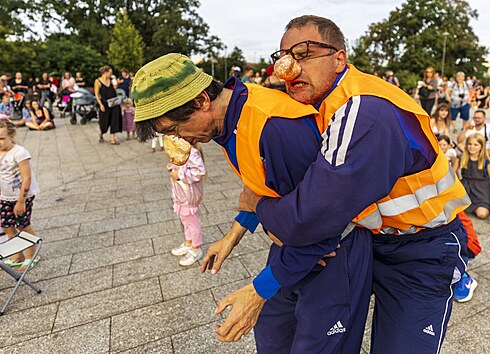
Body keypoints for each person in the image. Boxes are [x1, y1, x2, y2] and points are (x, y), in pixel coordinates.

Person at [238, 15, 470, 354]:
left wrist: (255, 204)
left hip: (420, 249)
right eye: (282, 57)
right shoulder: (314, 104)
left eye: (303, 54)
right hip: (363, 241)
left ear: (339, 58)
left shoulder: (364, 107)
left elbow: (313, 213)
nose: (287, 68)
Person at [131, 53, 373, 353]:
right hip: (292, 244)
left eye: (174, 129)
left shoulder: (275, 127)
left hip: (334, 251)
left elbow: (318, 225)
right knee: (273, 337)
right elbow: (262, 189)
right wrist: (231, 237)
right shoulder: (225, 122)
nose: (181, 140)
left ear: (201, 101)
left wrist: (258, 292)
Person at [0, 121, 41, 273]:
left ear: (12, 136)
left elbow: (27, 178)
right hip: (5, 196)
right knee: (6, 226)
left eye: (2, 138)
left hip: (22, 197)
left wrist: (21, 201)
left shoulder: (20, 153)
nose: (0, 142)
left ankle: (32, 255)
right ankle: (18, 254)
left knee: (22, 225)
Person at [168, 143, 206, 266]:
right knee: (185, 221)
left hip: (189, 197)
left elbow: (199, 172)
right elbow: (180, 166)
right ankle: (188, 242)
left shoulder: (192, 153)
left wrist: (179, 175)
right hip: (181, 195)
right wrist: (173, 168)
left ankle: (196, 248)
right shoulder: (180, 151)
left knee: (192, 223)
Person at [459, 134, 490, 219]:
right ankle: (468, 207)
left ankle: (482, 208)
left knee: (482, 214)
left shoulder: (487, 162)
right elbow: (452, 173)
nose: (472, 147)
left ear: (482, 146)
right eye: (469, 144)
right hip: (466, 188)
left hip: (481, 190)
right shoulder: (462, 158)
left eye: (476, 145)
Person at [94, 66, 123, 145]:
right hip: (105, 104)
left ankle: (112, 139)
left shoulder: (111, 80)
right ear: (105, 72)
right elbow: (96, 94)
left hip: (114, 103)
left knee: (114, 120)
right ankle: (101, 134)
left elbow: (115, 88)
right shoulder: (98, 81)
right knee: (104, 121)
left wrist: (114, 80)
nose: (111, 74)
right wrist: (100, 104)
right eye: (110, 73)